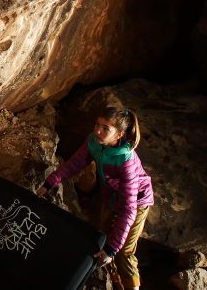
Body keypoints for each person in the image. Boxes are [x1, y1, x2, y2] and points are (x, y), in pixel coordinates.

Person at [36, 106, 153, 290]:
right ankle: (115, 281)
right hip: (112, 197)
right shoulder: (94, 142)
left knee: (123, 251)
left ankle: (132, 286)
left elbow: (128, 209)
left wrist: (113, 249)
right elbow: (74, 164)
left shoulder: (126, 161)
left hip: (136, 203)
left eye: (106, 128)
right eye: (97, 124)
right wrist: (49, 184)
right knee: (103, 238)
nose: (98, 130)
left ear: (119, 134)